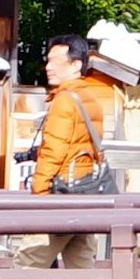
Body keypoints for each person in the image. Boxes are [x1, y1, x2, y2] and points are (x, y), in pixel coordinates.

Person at [31, 39, 112, 194]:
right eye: (48, 62)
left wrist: (39, 190)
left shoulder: (64, 101)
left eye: (56, 62)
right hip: (87, 182)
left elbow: (53, 151)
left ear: (76, 65)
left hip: (65, 184)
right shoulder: (90, 98)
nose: (48, 67)